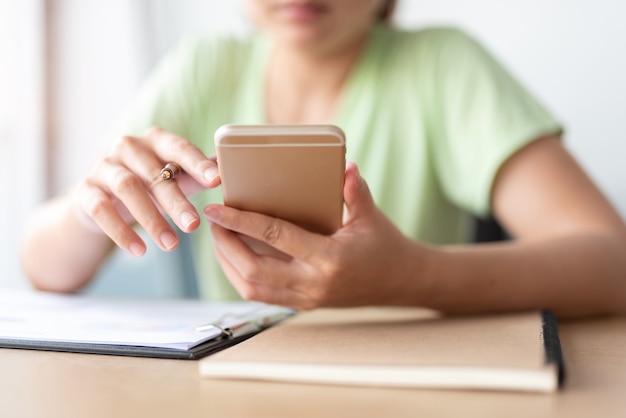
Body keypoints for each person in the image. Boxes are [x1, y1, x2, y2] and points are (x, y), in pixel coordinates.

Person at [20, 0, 626, 317]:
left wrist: (413, 276)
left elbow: (612, 262)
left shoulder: (444, 65)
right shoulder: (201, 66)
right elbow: (45, 269)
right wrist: (88, 208)